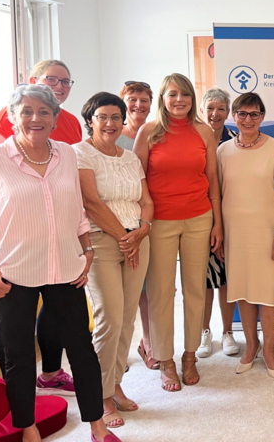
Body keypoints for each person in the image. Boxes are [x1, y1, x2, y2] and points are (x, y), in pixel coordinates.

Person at [0, 84, 118, 442]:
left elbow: (76, 210)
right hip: (12, 273)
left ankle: (96, 425)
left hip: (65, 269)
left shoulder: (67, 154)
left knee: (81, 349)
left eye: (44, 112)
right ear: (12, 117)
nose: (35, 118)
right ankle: (28, 427)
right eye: (26, 111)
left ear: (55, 119)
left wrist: (88, 249)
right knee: (19, 356)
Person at [133, 73, 223, 392]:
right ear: (163, 98)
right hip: (160, 223)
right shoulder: (148, 132)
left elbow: (213, 180)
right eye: (173, 95)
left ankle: (189, 356)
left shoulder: (203, 131)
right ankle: (165, 360)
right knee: (160, 292)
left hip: (199, 218)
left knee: (195, 289)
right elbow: (138, 180)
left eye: (184, 94)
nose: (179, 100)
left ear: (191, 98)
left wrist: (218, 224)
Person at [74, 92, 154, 429]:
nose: (109, 123)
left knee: (127, 316)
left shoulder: (130, 157)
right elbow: (91, 203)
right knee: (109, 316)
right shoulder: (80, 153)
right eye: (102, 117)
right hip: (103, 241)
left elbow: (147, 201)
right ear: (90, 119)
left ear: (123, 122)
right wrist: (125, 237)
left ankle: (116, 384)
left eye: (116, 118)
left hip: (137, 240)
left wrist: (142, 230)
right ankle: (102, 396)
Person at [219, 93, 274, 379]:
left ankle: (270, 350)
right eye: (242, 113)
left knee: (270, 294)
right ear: (234, 116)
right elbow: (216, 195)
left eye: (254, 114)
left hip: (268, 234)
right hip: (235, 235)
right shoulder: (223, 152)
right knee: (243, 291)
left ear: (262, 116)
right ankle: (251, 347)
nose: (248, 119)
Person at [0, 59, 83, 176]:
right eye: (51, 79)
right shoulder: (6, 118)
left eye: (65, 82)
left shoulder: (72, 121)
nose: (59, 86)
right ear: (33, 81)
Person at [116, 81, 161, 371]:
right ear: (123, 102)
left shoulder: (157, 134)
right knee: (117, 291)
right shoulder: (110, 135)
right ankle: (116, 350)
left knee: (147, 287)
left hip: (150, 218)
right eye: (133, 99)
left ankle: (148, 342)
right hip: (117, 221)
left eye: (145, 100)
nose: (139, 105)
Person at [197, 87, 240, 358]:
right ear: (202, 110)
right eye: (210, 108)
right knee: (200, 280)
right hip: (198, 217)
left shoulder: (235, 139)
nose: (215, 114)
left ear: (228, 112)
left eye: (221, 109)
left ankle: (227, 332)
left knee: (226, 279)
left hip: (228, 218)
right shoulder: (192, 138)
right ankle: (203, 332)